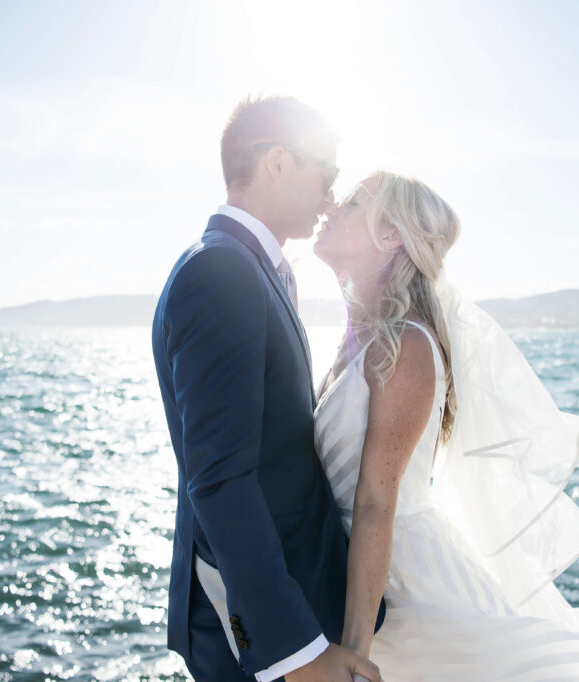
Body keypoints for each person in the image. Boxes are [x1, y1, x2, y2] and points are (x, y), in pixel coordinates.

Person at [312, 170, 579, 680]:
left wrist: (356, 651)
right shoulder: (359, 338)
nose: (331, 206)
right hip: (359, 578)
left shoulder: (406, 345)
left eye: (353, 202)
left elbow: (377, 502)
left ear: (391, 235)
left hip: (407, 590)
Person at [152, 96, 382, 682]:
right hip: (255, 636)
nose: (332, 192)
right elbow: (221, 480)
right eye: (326, 170)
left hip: (291, 590)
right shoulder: (221, 272)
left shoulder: (250, 266)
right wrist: (297, 654)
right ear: (277, 162)